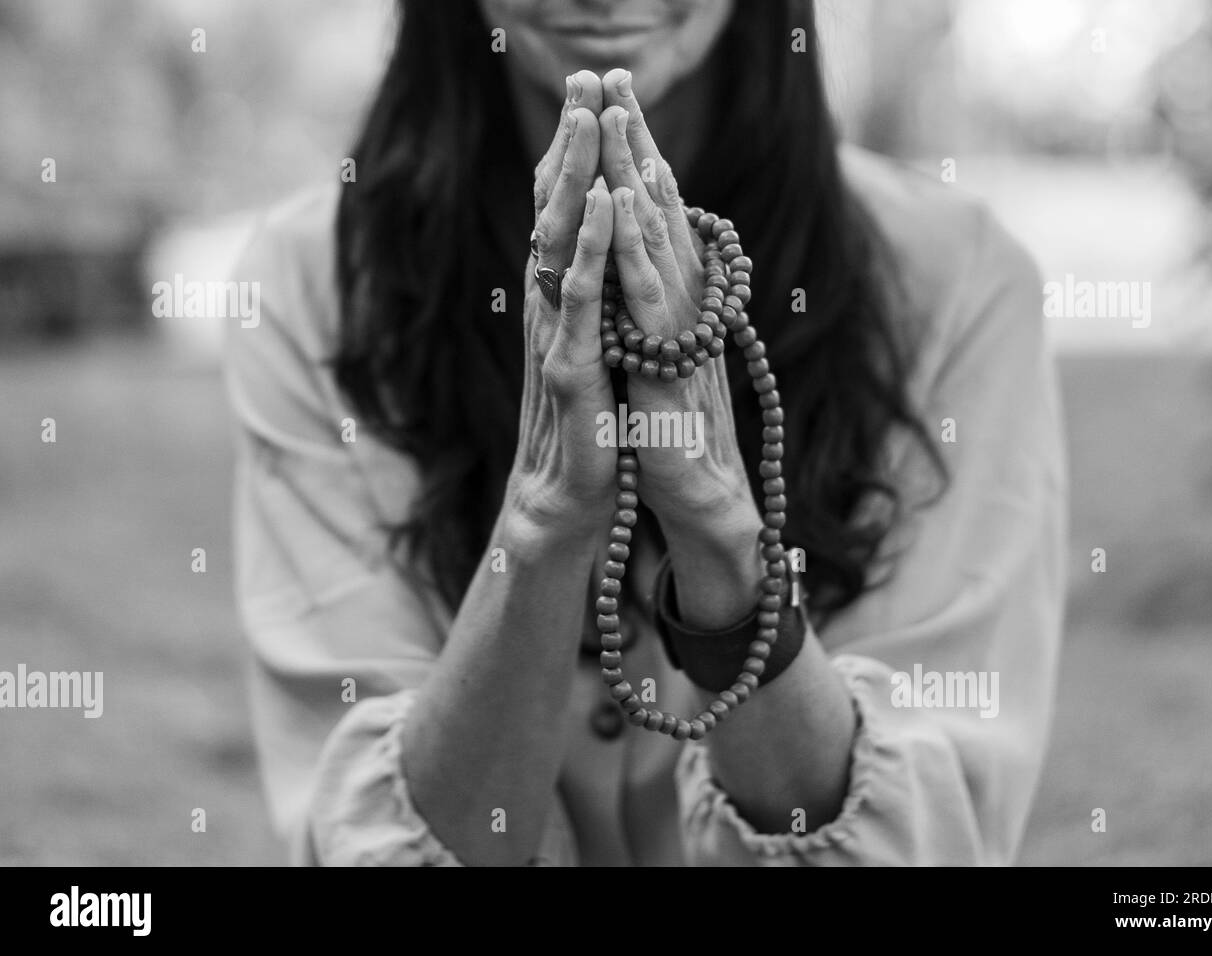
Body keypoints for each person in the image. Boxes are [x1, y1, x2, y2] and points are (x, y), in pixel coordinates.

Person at [224, 0, 1066, 866]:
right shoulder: (312, 285)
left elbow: (924, 844)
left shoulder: (960, 284)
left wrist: (723, 540)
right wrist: (544, 520)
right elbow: (374, 850)